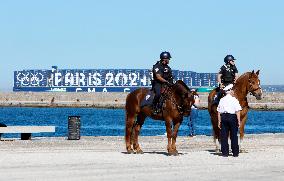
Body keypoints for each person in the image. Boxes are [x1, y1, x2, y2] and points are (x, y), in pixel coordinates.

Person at [217, 84, 242, 157]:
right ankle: (235, 153)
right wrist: (239, 121)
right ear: (230, 90)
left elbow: (219, 111)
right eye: (232, 90)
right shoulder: (234, 99)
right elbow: (237, 111)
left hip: (224, 117)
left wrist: (219, 121)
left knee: (224, 136)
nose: (233, 91)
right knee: (234, 135)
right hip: (232, 117)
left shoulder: (222, 99)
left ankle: (225, 153)